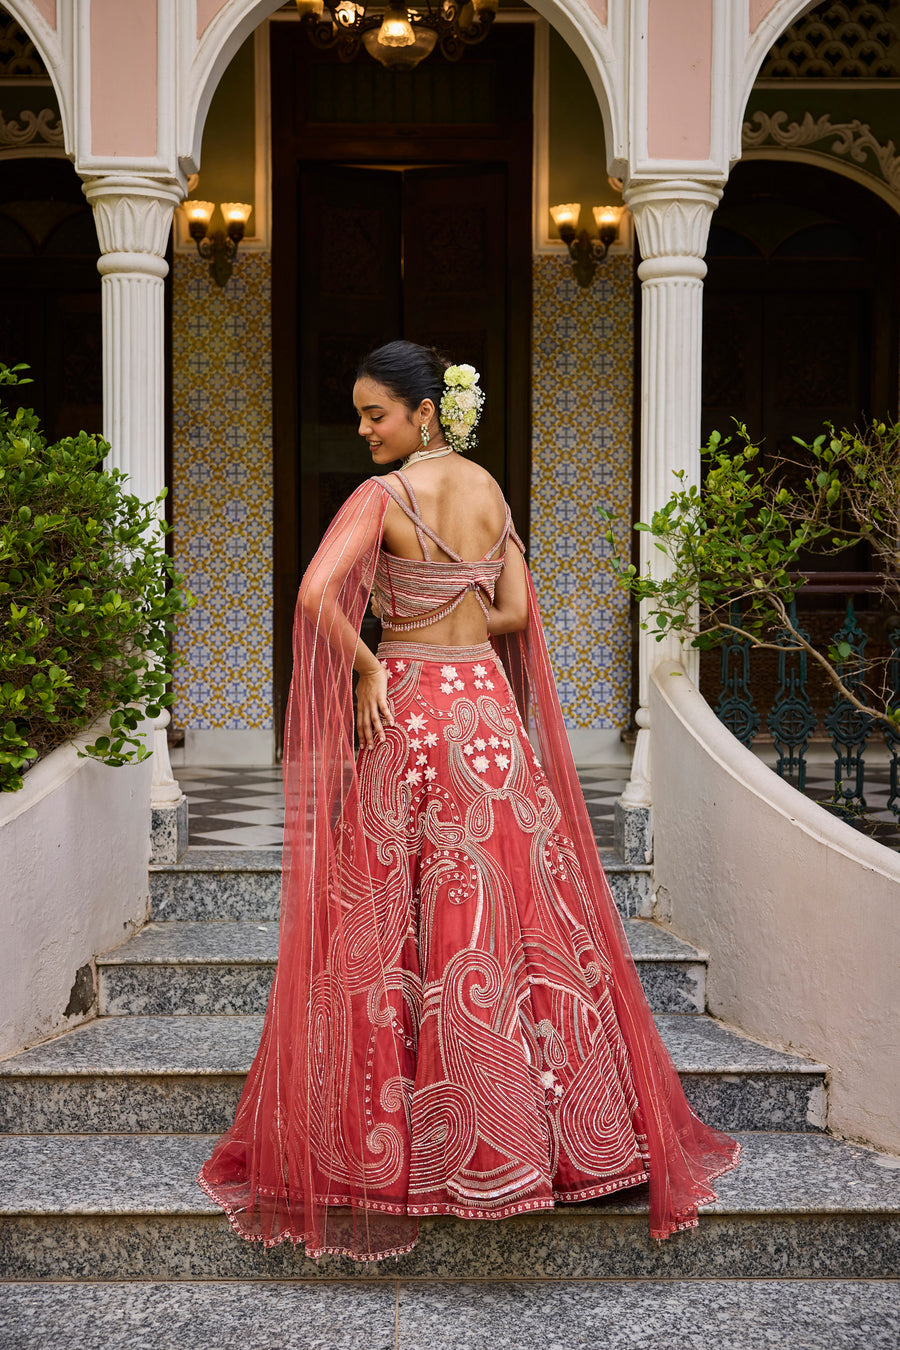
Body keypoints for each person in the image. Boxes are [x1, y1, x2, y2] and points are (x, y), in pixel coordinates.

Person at [198, 340, 740, 1261]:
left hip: (409, 717)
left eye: (377, 414)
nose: (364, 429)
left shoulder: (387, 497)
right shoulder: (490, 492)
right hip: (489, 717)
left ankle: (414, 1148)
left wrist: (378, 654)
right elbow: (520, 613)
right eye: (361, 414)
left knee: (400, 920)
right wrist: (453, 620)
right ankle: (558, 1143)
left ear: (425, 412)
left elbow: (316, 594)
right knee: (515, 917)